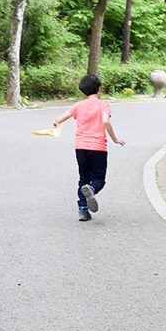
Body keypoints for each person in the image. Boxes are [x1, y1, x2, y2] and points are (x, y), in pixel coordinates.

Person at [51, 74, 124, 221]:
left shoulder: (78, 105)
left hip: (81, 148)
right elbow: (105, 121)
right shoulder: (104, 105)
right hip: (98, 148)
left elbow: (59, 119)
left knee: (83, 179)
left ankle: (83, 210)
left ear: (83, 93)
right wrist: (115, 139)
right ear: (99, 89)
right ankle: (91, 189)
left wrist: (56, 124)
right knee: (99, 179)